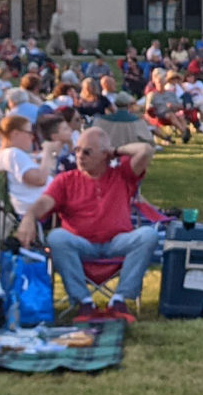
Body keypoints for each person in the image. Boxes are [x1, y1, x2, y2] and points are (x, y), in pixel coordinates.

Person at [15, 127, 158, 320]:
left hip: (118, 243)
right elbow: (44, 203)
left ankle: (120, 299)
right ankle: (84, 303)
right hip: (81, 245)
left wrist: (115, 151)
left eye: (87, 151)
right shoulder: (65, 180)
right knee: (56, 237)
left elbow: (146, 150)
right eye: (77, 150)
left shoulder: (122, 174)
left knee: (148, 235)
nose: (80, 156)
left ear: (105, 154)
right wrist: (29, 217)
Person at [0, 114, 60, 216]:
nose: (32, 137)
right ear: (15, 134)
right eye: (29, 133)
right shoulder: (13, 154)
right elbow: (39, 180)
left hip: (38, 204)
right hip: (38, 208)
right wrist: (48, 153)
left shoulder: (0, 156)